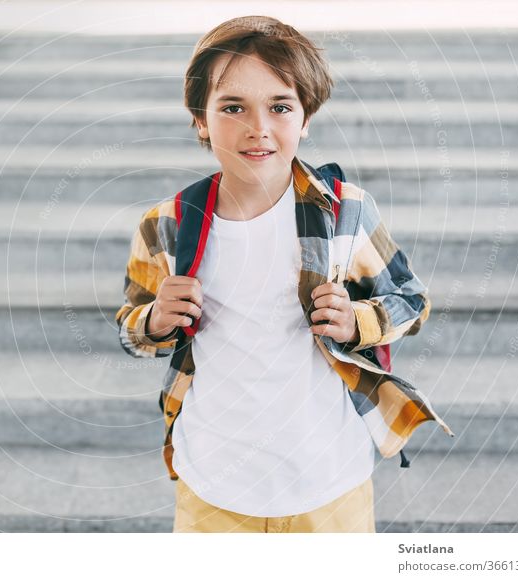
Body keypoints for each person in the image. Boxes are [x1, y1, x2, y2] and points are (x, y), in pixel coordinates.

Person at [115, 15, 453, 533]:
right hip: (213, 482)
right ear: (201, 120)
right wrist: (156, 320)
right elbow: (131, 327)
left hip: (328, 479)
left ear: (305, 117)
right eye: (233, 107)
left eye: (280, 106)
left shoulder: (346, 211)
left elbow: (412, 300)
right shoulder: (166, 224)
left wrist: (357, 321)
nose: (259, 127)